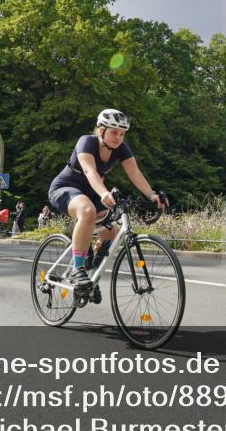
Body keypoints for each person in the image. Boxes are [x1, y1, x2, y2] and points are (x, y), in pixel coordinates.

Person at [47, 109, 166, 303]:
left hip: (94, 193)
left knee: (112, 231)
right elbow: (89, 170)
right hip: (66, 188)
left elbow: (134, 173)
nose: (118, 138)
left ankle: (91, 275)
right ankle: (78, 269)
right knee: (87, 211)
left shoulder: (121, 148)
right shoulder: (86, 141)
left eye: (122, 134)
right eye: (114, 132)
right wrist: (103, 193)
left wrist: (151, 194)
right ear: (101, 130)